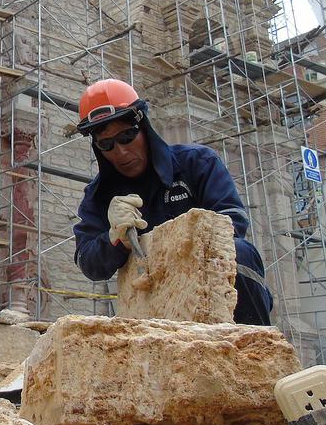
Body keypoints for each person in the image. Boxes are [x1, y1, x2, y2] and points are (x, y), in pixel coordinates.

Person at [72, 78, 273, 325]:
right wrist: (115, 239)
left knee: (240, 252)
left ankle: (254, 341)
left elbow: (233, 219)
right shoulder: (99, 195)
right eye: (107, 144)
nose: (121, 152)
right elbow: (88, 262)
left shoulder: (196, 163)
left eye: (127, 136)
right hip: (150, 299)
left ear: (143, 127)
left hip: (208, 281)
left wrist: (175, 250)